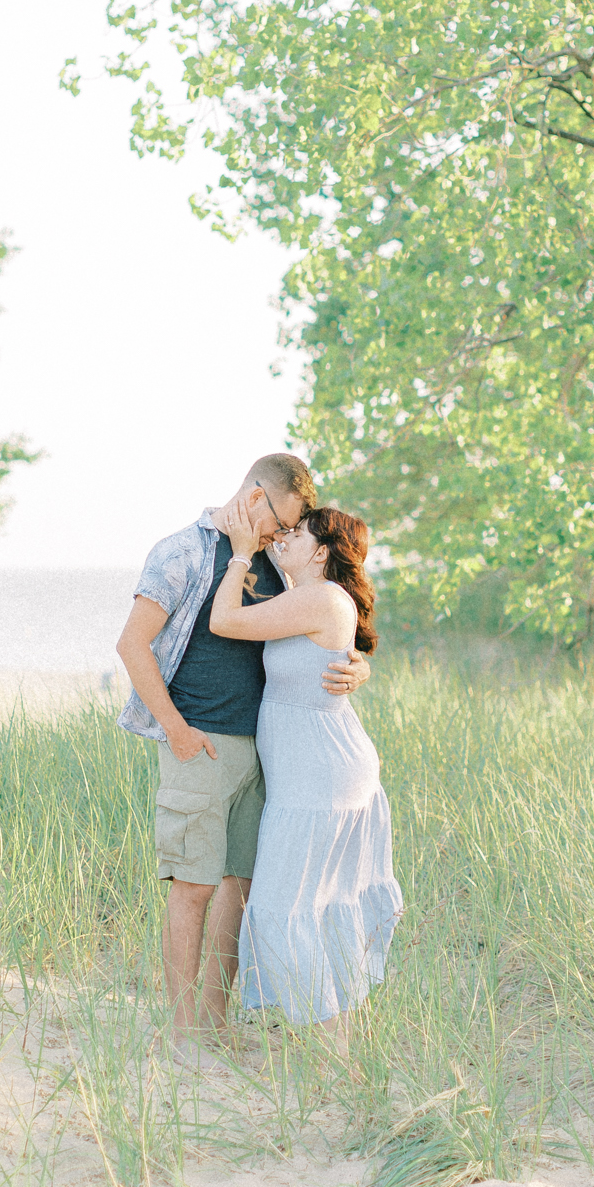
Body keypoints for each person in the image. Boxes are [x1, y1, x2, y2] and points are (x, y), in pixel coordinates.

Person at [116, 454, 371, 1065]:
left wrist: (358, 665)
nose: (284, 536)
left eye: (292, 530)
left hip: (263, 754)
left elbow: (321, 627)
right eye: (281, 521)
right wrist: (175, 731)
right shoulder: (183, 552)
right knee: (193, 890)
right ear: (257, 497)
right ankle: (184, 1038)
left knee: (239, 888)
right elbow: (131, 644)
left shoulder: (277, 564)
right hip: (199, 742)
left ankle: (213, 1025)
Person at [210, 498, 401, 1052]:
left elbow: (224, 621)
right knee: (309, 906)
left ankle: (334, 1056)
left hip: (321, 777)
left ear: (321, 552)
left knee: (281, 907)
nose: (281, 538)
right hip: (311, 773)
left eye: (295, 534)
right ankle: (337, 1048)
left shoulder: (321, 597)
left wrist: (241, 556)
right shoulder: (309, 598)